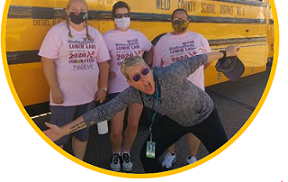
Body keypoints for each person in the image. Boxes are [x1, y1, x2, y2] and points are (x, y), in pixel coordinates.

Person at [44, 45, 240, 173]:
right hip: (175, 119)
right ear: (130, 82)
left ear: (150, 67)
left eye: (145, 71)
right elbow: (101, 112)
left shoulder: (172, 73)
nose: (144, 78)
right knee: (147, 155)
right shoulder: (133, 94)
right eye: (136, 77)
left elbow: (201, 58)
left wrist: (226, 52)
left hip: (203, 115)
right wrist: (63, 130)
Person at [39, 0, 110, 160]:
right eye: (74, 10)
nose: (78, 13)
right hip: (63, 99)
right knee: (58, 138)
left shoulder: (95, 34)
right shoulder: (57, 32)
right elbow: (47, 61)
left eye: (82, 11)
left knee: (82, 136)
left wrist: (104, 87)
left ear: (87, 13)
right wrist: (55, 88)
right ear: (67, 12)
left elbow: (103, 63)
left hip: (88, 97)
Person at [153, 8, 211, 168]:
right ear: (171, 22)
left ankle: (192, 157)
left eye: (183, 19)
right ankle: (170, 154)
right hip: (170, 94)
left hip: (196, 93)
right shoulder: (163, 41)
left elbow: (207, 60)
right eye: (176, 20)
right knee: (169, 126)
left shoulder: (199, 39)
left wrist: (195, 73)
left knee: (195, 126)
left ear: (189, 21)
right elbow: (157, 67)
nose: (180, 22)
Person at [103, 1, 154, 172]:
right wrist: (106, 69)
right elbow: (101, 58)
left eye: (126, 15)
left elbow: (151, 49)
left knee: (133, 125)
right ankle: (115, 152)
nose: (123, 18)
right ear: (113, 18)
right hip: (116, 87)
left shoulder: (138, 36)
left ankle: (126, 152)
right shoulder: (107, 37)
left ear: (130, 16)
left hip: (137, 87)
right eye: (119, 16)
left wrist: (148, 65)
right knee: (116, 130)